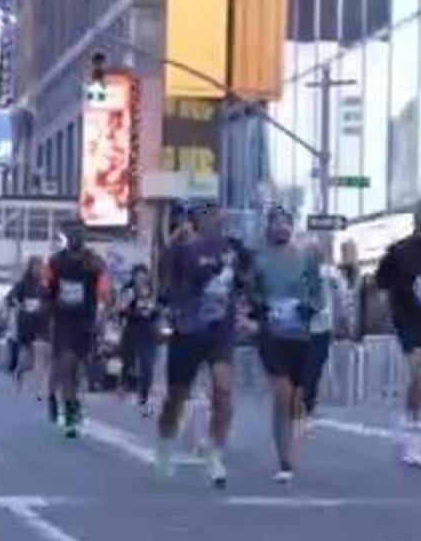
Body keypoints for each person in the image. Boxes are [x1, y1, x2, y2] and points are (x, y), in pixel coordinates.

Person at [155, 200, 247, 487]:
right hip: (187, 330)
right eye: (205, 213)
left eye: (216, 212)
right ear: (195, 219)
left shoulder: (232, 249)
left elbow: (244, 283)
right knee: (176, 398)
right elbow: (165, 282)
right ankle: (166, 447)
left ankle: (216, 454)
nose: (213, 218)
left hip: (220, 331)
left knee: (223, 391)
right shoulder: (182, 249)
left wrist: (247, 310)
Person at [248, 206, 322, 484]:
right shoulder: (259, 260)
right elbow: (250, 291)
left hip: (299, 335)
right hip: (271, 335)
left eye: (285, 223)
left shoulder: (306, 257)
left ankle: (290, 448)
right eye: (276, 223)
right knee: (282, 393)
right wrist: (260, 308)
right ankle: (285, 460)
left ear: (292, 227)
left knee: (294, 399)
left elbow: (318, 294)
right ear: (268, 227)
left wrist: (308, 307)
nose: (281, 228)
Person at [376, 226, 421, 469]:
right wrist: (405, 287)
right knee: (419, 373)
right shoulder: (401, 252)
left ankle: (410, 421)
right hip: (410, 319)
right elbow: (382, 280)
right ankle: (413, 441)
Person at [46, 222, 111, 438]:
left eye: (80, 234)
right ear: (66, 237)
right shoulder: (56, 262)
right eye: (72, 234)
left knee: (80, 370)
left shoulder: (93, 262)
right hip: (63, 320)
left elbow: (104, 288)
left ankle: (74, 403)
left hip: (85, 321)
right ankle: (70, 416)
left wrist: (102, 311)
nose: (76, 237)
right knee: (66, 366)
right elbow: (47, 288)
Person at [301, 239, 348, 420]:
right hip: (307, 327)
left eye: (315, 252)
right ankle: (305, 402)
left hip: (321, 326)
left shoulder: (329, 273)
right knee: (310, 366)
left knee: (314, 366)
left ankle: (307, 403)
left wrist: (341, 318)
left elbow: (341, 295)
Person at [9, 256, 53, 406]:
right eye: (35, 266)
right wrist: (19, 305)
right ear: (30, 268)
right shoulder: (22, 284)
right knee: (26, 361)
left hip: (41, 326)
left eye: (40, 267)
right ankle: (19, 372)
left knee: (41, 358)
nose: (38, 269)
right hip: (26, 325)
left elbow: (50, 301)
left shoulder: (44, 286)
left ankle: (41, 390)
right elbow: (12, 297)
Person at [119, 264, 160, 416]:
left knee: (147, 364)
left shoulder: (153, 290)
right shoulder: (128, 290)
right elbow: (121, 310)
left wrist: (155, 311)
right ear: (134, 276)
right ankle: (123, 383)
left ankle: (144, 394)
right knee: (128, 361)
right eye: (138, 275)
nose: (141, 278)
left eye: (144, 275)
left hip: (149, 332)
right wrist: (135, 311)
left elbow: (160, 306)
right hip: (132, 330)